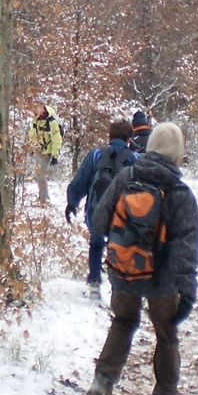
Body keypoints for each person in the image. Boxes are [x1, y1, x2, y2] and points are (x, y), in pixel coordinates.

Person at [87, 122, 198, 395]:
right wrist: (187, 291)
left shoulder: (126, 178)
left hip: (124, 269)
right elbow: (186, 248)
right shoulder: (179, 193)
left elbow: (99, 223)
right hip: (162, 280)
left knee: (123, 322)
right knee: (166, 333)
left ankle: (102, 382)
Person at [66, 119, 136, 288]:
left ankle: (94, 281)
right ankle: (118, 286)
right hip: (122, 213)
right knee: (120, 246)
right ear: (129, 139)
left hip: (96, 210)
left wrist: (72, 203)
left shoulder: (96, 154)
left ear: (109, 136)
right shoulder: (134, 158)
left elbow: (80, 182)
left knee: (96, 245)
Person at [27, 103, 64, 205]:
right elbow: (33, 134)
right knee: (39, 175)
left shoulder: (51, 121)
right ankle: (41, 197)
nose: (36, 109)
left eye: (38, 106)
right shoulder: (36, 120)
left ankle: (45, 199)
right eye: (35, 107)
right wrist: (31, 147)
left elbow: (56, 139)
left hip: (47, 152)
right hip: (38, 151)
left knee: (41, 175)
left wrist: (55, 155)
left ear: (43, 107)